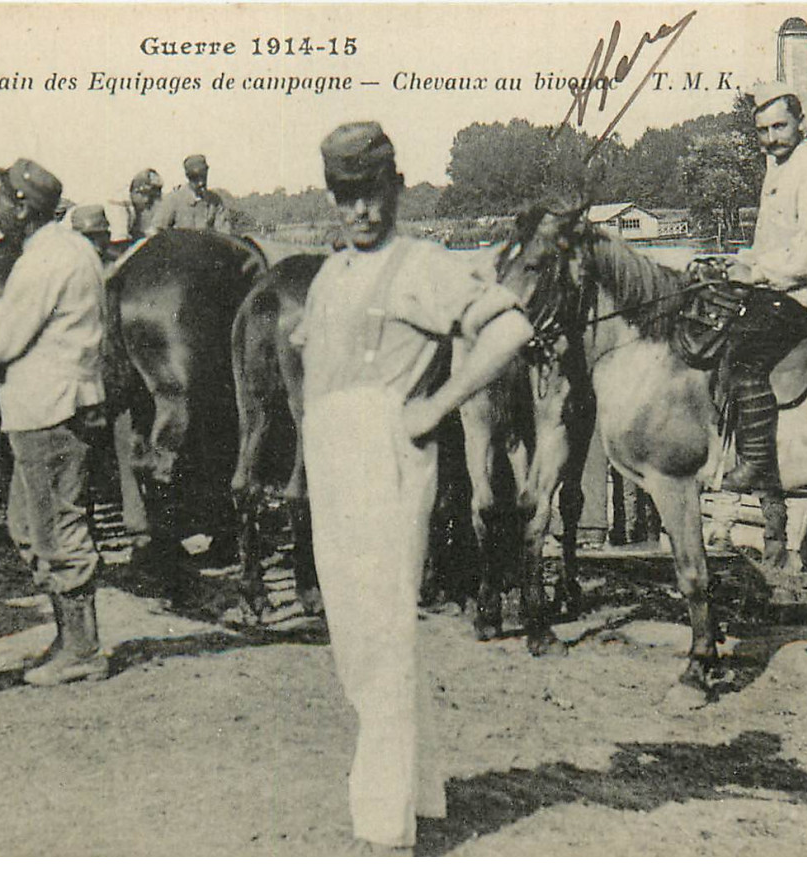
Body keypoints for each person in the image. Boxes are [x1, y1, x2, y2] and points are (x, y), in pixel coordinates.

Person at [297, 122, 536, 852]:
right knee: (359, 634)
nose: (359, 211)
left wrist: (438, 403)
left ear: (395, 191)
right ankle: (419, 795)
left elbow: (508, 331)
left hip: (384, 456)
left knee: (377, 637)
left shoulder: (422, 265)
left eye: (371, 195)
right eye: (345, 197)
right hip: (333, 454)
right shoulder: (329, 274)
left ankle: (383, 828)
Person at [0, 158, 110, 686]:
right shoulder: (66, 248)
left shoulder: (46, 260)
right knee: (27, 527)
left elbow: (1, 337)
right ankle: (68, 637)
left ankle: (84, 650)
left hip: (51, 411)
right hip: (44, 408)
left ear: (24, 206)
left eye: (3, 198)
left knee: (57, 529)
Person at [719, 80, 807, 492]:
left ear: (800, 123)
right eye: (763, 131)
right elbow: (768, 247)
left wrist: (755, 274)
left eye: (780, 127)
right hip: (779, 289)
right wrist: (736, 263)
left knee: (743, 352)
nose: (771, 139)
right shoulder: (778, 169)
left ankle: (755, 462)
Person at [147, 154, 233, 234]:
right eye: (195, 178)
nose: (200, 183)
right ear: (188, 177)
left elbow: (224, 234)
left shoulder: (215, 202)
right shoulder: (174, 199)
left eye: (203, 177)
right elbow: (155, 231)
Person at [111, 168, 163, 244]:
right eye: (149, 197)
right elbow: (119, 241)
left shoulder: (136, 205)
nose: (149, 203)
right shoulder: (118, 203)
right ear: (136, 192)